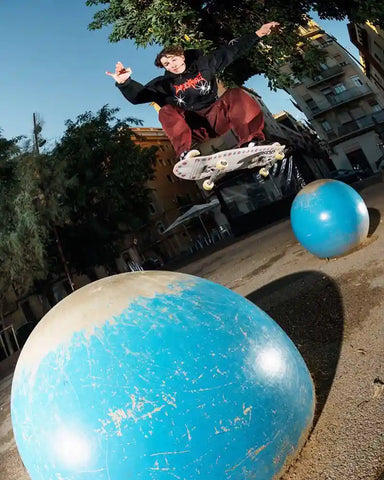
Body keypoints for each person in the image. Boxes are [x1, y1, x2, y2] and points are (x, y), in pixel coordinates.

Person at [106, 22, 280, 161]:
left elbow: (231, 51)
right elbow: (139, 97)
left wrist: (258, 33)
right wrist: (125, 83)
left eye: (174, 59)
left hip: (218, 118)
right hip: (194, 128)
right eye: (167, 64)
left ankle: (251, 140)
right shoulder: (163, 84)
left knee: (235, 94)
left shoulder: (204, 65)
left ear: (182, 56)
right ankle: (184, 153)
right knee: (166, 110)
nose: (172, 65)